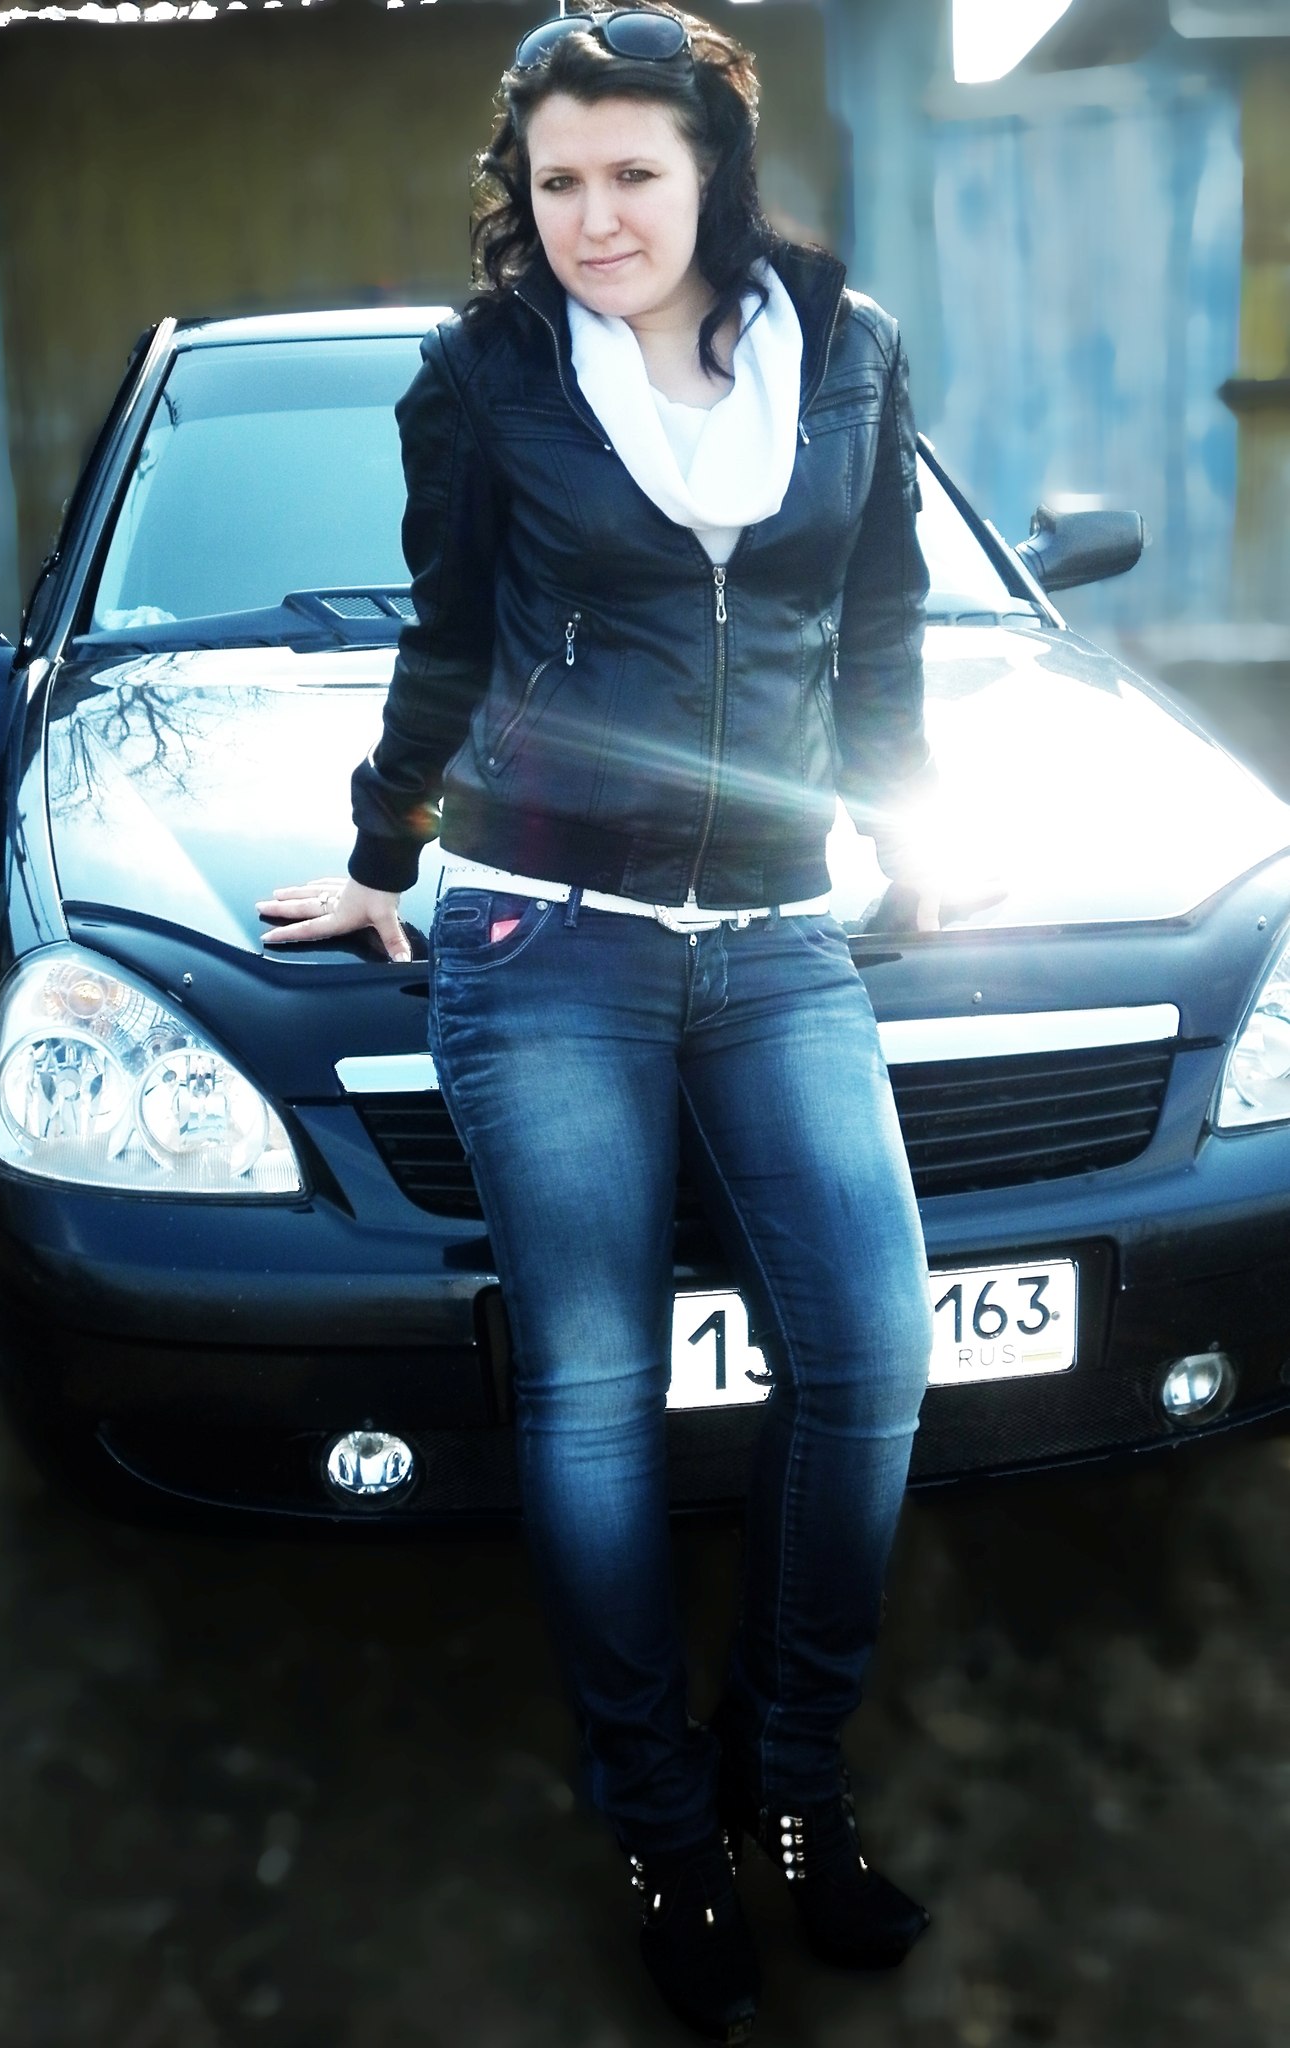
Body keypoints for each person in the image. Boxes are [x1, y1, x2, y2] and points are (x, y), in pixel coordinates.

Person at [260, 9, 940, 2038]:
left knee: (872, 1349)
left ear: (711, 170)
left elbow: (879, 620)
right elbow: (450, 635)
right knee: (591, 1394)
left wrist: (909, 831)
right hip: (545, 933)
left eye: (633, 171)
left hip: (777, 932)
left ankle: (788, 1783)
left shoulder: (849, 351)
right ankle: (659, 1823)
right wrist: (379, 852)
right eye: (556, 180)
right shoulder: (484, 376)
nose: (592, 216)